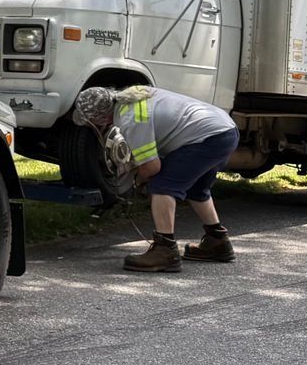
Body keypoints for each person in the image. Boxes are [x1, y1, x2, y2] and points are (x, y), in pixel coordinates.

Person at [70, 85, 242, 273]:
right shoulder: (132, 95)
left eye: (91, 122)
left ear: (102, 118)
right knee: (196, 188)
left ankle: (165, 251)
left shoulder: (131, 118)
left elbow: (152, 167)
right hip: (224, 129)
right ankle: (217, 242)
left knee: (162, 186)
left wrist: (139, 180)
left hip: (208, 137)